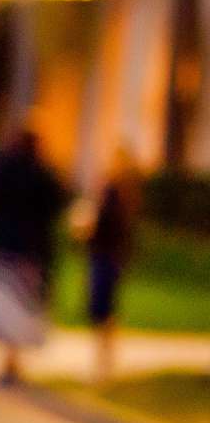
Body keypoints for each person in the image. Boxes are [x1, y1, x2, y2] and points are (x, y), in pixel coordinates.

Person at [0, 127, 70, 383]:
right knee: (20, 305)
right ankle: (11, 359)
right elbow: (59, 203)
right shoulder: (41, 173)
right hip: (30, 251)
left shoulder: (3, 168)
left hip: (4, 247)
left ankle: (6, 358)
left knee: (4, 302)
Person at [80, 148, 145, 384]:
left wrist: (87, 229)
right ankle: (105, 360)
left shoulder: (112, 194)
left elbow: (103, 224)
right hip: (112, 256)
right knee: (105, 309)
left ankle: (104, 362)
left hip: (105, 255)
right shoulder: (124, 195)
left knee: (102, 309)